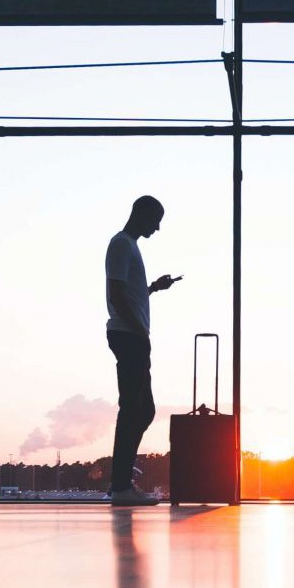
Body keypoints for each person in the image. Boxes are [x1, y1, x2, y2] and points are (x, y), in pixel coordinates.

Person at [104, 195, 179, 506]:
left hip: (132, 334)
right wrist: (138, 330)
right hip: (129, 335)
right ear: (141, 213)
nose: (158, 227)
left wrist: (152, 289)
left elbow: (128, 293)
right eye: (155, 219)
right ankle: (121, 486)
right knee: (133, 409)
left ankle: (121, 483)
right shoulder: (121, 244)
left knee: (141, 410)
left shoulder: (129, 246)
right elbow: (116, 295)